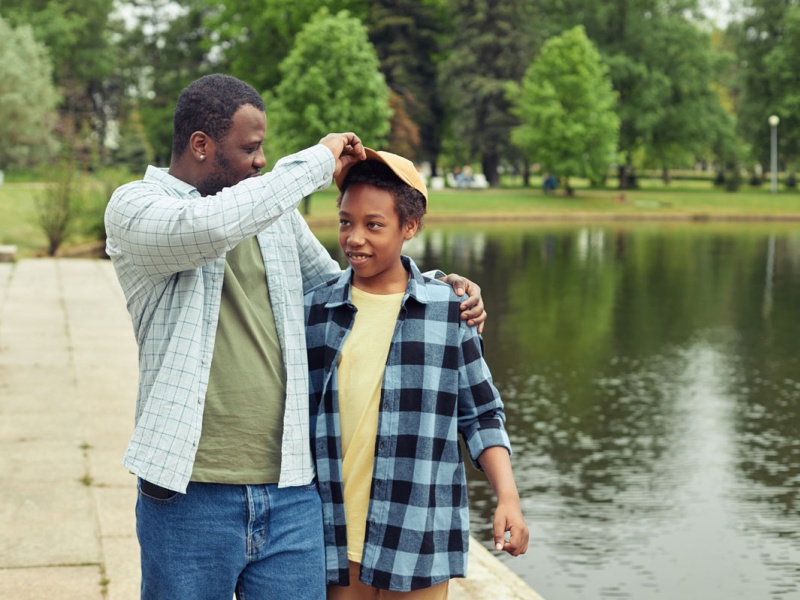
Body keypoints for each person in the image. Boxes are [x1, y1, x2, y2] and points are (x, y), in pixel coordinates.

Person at [104, 74, 487, 600]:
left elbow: (341, 286)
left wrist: (437, 288)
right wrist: (316, 161)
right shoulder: (137, 208)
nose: (261, 159)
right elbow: (209, 228)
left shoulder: (272, 216)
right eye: (251, 147)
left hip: (292, 495)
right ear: (201, 145)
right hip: (189, 495)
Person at [305, 149, 529, 599]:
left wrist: (508, 497)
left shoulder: (450, 312)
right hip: (331, 533)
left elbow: (481, 415)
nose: (354, 239)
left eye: (373, 225)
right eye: (346, 222)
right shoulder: (315, 309)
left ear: (409, 227)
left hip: (417, 531)